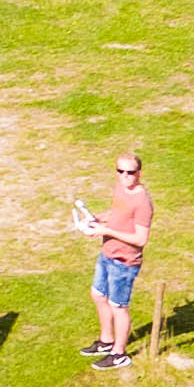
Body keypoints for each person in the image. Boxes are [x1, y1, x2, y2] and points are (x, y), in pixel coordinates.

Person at [75, 151, 156, 363]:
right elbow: (116, 213)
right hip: (107, 253)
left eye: (130, 172)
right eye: (120, 171)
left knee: (118, 306)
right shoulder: (121, 188)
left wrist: (106, 231)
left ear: (139, 173)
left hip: (124, 261)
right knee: (98, 295)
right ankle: (106, 341)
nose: (125, 176)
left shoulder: (143, 202)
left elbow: (140, 239)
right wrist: (97, 219)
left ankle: (119, 354)